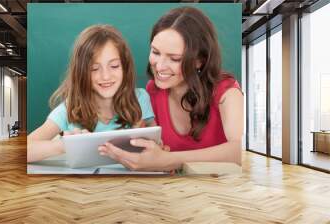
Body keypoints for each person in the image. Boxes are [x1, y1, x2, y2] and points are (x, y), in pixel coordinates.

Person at [98, 7, 244, 171]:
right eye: (155, 52)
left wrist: (168, 159)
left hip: (221, 192)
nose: (159, 66)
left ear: (199, 61)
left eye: (174, 59)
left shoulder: (227, 92)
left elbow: (239, 151)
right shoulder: (153, 90)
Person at [27, 25, 155, 162]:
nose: (105, 76)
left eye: (114, 66)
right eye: (94, 68)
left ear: (125, 67)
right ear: (82, 72)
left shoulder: (140, 99)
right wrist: (64, 145)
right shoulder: (70, 107)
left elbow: (156, 143)